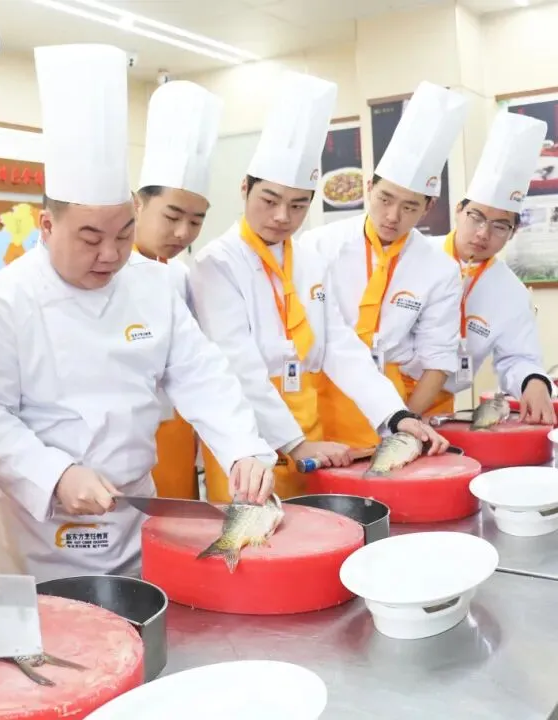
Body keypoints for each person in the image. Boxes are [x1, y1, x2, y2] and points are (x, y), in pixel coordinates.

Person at [0, 43, 278, 584]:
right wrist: (56, 474)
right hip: (38, 527)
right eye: (90, 238)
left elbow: (200, 373)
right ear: (46, 226)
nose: (110, 254)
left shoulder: (153, 284)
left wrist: (243, 448)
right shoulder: (1, 300)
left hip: (131, 517)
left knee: (141, 616)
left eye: (124, 234)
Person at [188, 71, 449, 503]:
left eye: (297, 205)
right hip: (247, 433)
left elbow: (338, 345)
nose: (282, 217)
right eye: (269, 200)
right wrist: (292, 443)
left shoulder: (306, 257)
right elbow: (238, 366)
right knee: (252, 528)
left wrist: (394, 414)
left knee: (309, 526)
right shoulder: (216, 263)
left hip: (307, 424)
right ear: (244, 188)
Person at [298, 81, 465, 445]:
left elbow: (438, 358)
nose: (392, 216)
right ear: (368, 187)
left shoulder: (440, 269)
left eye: (409, 207)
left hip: (392, 393)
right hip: (319, 388)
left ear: (428, 208)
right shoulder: (317, 245)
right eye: (385, 199)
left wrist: (404, 422)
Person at [402, 110, 555, 423]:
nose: (483, 233)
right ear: (459, 210)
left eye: (500, 226)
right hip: (377, 389)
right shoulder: (410, 254)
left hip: (437, 407)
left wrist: (534, 381)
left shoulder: (511, 292)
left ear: (513, 232)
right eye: (476, 217)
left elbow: (518, 357)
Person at [131, 80, 223, 499]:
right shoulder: (104, 273)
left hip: (178, 435)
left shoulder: (181, 275)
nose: (183, 233)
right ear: (138, 204)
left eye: (196, 221)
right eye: (172, 217)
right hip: (127, 438)